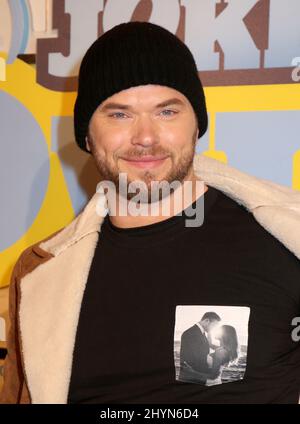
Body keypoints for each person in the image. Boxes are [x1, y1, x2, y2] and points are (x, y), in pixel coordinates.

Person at [1, 21, 300, 404]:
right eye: (119, 114)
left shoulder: (284, 240)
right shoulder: (40, 273)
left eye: (167, 111)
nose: (145, 137)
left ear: (197, 125)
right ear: (88, 135)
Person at [178, 312, 221, 384]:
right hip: (191, 378)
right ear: (207, 321)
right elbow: (194, 359)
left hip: (197, 377)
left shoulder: (201, 333)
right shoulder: (191, 333)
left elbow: (205, 348)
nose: (214, 328)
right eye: (214, 325)